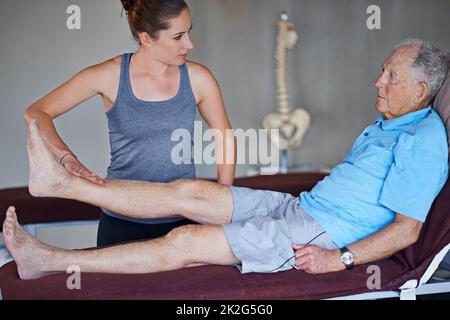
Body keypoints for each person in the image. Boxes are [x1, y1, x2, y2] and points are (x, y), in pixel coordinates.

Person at [4, 39, 448, 280]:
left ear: (420, 90)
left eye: (390, 75)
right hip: (305, 207)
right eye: (382, 70)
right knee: (192, 192)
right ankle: (64, 185)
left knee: (186, 242)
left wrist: (340, 260)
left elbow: (406, 229)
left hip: (318, 232)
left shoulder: (423, 139)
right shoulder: (387, 123)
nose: (378, 81)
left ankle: (46, 259)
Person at [23, 0, 236, 247]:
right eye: (178, 36)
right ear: (146, 38)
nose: (189, 44)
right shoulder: (109, 75)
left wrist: (223, 203)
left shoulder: (199, 78)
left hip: (185, 218)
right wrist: (67, 159)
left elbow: (224, 136)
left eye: (189, 31)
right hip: (122, 221)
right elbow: (37, 112)